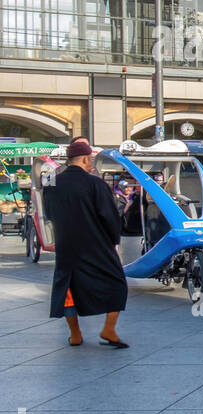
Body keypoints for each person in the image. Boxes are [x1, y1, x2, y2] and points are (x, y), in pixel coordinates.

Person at [45, 139, 129, 348]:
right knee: (116, 282)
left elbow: (48, 213)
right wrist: (113, 240)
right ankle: (109, 329)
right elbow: (109, 217)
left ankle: (75, 334)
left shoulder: (51, 183)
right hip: (95, 245)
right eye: (90, 159)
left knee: (68, 290)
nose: (91, 162)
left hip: (66, 246)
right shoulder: (95, 184)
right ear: (84, 158)